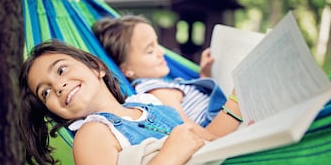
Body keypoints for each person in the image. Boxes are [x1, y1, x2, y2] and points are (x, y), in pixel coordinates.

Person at [19, 39, 242, 165]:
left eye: (61, 69)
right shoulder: (93, 134)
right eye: (45, 92)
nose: (57, 86)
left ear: (96, 68)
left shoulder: (148, 101)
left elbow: (212, 138)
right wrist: (165, 161)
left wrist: (238, 94)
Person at [92, 15, 241, 137]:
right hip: (220, 131)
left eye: (157, 44)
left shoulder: (163, 83)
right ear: (126, 70)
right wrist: (236, 100)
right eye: (150, 50)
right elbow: (196, 134)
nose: (161, 52)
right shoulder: (157, 92)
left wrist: (205, 75)